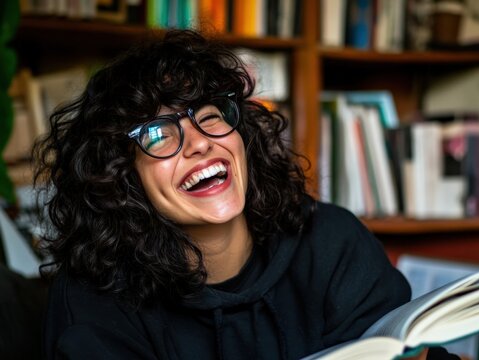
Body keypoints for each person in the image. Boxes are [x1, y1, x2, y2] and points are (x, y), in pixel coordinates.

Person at [35, 29, 457, 360]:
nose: (199, 142)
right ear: (120, 176)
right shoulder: (92, 300)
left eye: (209, 116)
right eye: (158, 135)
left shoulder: (332, 241)